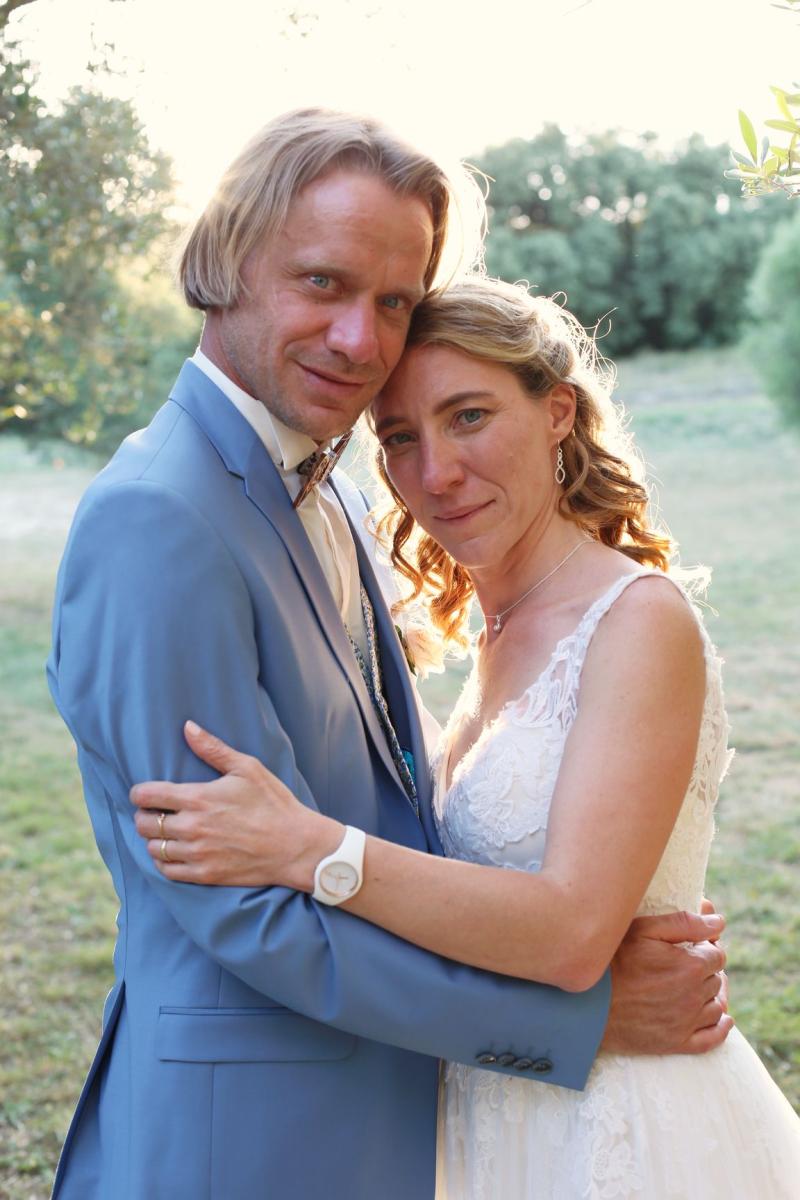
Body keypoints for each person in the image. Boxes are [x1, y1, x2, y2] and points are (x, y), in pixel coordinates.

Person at [48, 110, 730, 1200]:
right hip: (245, 1139)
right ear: (225, 261)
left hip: (400, 1121)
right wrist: (577, 1021)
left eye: (394, 302)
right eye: (322, 283)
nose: (360, 342)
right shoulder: (159, 517)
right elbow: (242, 908)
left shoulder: (328, 492)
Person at [132, 276, 800, 1198]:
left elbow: (572, 933)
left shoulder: (637, 621)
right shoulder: (491, 634)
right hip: (491, 1106)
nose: (437, 473)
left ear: (557, 411)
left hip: (624, 1123)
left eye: (470, 417)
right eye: (401, 438)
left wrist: (310, 849)